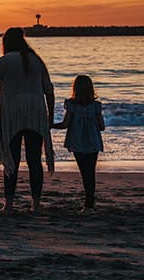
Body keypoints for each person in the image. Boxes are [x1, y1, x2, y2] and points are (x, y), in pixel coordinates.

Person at [0, 27, 54, 215]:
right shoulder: (37, 61)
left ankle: (9, 204)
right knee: (34, 160)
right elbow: (49, 90)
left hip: (12, 114)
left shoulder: (4, 62)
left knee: (11, 159)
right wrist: (51, 116)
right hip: (35, 112)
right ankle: (36, 203)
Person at [52, 75, 105, 212]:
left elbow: (65, 124)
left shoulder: (71, 105)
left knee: (84, 171)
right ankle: (90, 201)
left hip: (77, 142)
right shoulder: (96, 106)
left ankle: (88, 203)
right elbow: (102, 126)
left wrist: (50, 125)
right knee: (90, 172)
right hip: (93, 142)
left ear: (75, 89)